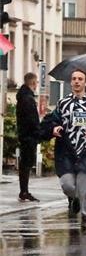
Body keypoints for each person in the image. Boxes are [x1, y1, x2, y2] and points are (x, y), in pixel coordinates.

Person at [39, 69, 86, 230]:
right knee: (67, 185)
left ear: (85, 83)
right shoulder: (63, 103)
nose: (76, 81)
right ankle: (75, 199)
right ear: (71, 82)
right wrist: (53, 129)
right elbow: (49, 122)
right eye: (74, 79)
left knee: (84, 187)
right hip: (67, 151)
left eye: (80, 79)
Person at [16, 72, 41, 202]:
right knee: (26, 164)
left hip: (25, 135)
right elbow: (32, 120)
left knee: (25, 164)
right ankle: (24, 191)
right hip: (28, 136)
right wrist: (38, 132)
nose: (37, 85)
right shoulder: (28, 99)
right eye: (36, 82)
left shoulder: (23, 97)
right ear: (32, 83)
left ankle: (24, 190)